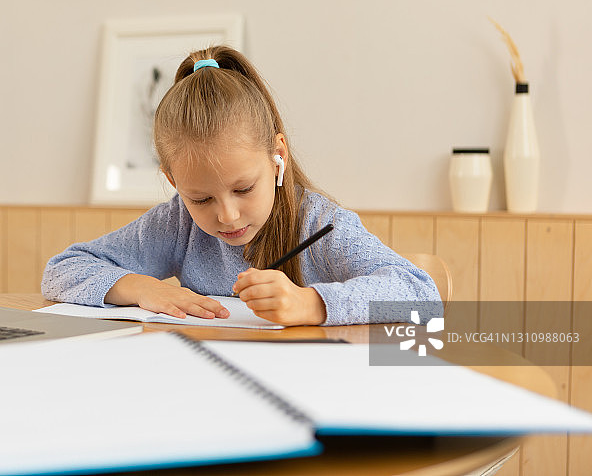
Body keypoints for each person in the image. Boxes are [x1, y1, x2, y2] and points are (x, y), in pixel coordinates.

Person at [42, 46, 441, 326]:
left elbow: (422, 295)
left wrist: (311, 304)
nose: (227, 215)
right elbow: (61, 270)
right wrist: (142, 288)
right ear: (172, 181)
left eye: (244, 189)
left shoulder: (320, 224)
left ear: (277, 156)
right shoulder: (178, 224)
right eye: (200, 198)